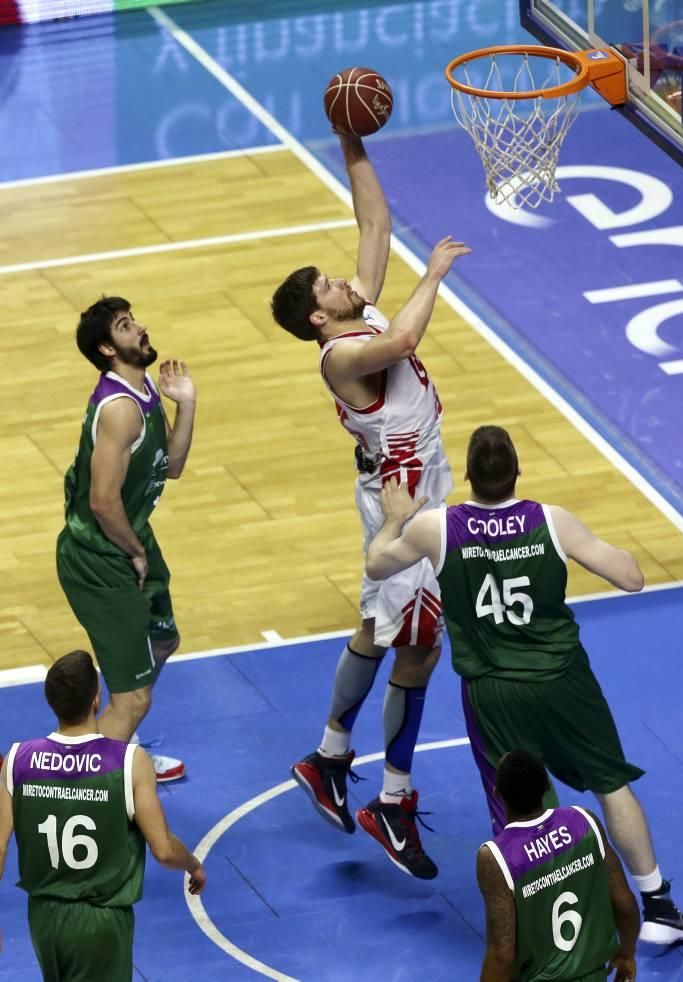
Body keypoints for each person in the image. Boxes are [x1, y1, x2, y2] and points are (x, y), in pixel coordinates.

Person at [366, 424, 683, 943]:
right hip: (565, 681)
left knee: (519, 813)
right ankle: (657, 907)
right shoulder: (551, 521)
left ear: (470, 477)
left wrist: (393, 518)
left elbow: (376, 563)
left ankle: (541, 930)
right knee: (611, 784)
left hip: (494, 693)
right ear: (518, 473)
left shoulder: (437, 528)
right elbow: (632, 578)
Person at [271, 131, 470, 879]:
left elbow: (374, 223)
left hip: (410, 482)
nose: (345, 281)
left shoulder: (358, 320)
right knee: (420, 646)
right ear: (319, 318)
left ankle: (328, 759)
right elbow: (412, 330)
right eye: (330, 285)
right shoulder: (345, 354)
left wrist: (350, 138)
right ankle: (390, 797)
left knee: (381, 628)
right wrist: (437, 271)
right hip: (405, 498)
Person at [0, 649, 206, 980]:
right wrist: (192, 863)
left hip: (43, 917)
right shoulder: (129, 761)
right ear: (96, 699)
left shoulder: (18, 759)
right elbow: (162, 849)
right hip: (101, 920)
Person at [56, 296, 196, 782]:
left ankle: (117, 734)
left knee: (164, 640)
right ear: (105, 348)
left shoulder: (145, 392)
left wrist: (188, 404)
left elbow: (171, 467)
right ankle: (80, 789)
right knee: (134, 697)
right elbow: (101, 501)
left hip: (131, 540)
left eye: (133, 319)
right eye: (124, 325)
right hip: (102, 556)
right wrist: (134, 552)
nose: (140, 327)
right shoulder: (119, 410)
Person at [477, 750, 639, 982]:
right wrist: (626, 952)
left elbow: (502, 955)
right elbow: (626, 903)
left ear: (498, 793)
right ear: (547, 786)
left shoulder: (496, 857)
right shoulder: (584, 822)